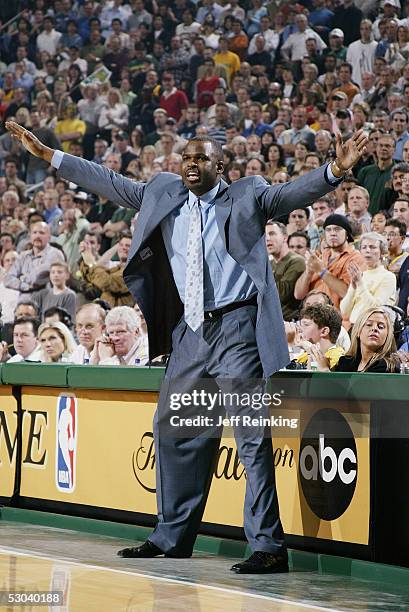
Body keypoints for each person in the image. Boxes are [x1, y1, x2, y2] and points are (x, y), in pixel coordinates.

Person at [6, 119, 367, 574]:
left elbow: (291, 193)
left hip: (237, 327)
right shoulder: (163, 191)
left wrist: (335, 169)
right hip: (190, 332)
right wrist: (49, 156)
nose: (191, 165)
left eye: (200, 159)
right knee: (173, 428)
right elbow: (108, 180)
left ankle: (269, 546)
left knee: (252, 438)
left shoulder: (247, 194)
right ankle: (171, 536)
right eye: (186, 159)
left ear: (220, 165)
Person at [340, 232, 397, 326]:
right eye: (364, 247)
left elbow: (375, 308)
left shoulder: (388, 277)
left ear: (382, 252)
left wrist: (360, 284)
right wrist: (353, 287)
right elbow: (344, 310)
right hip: (354, 326)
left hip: (373, 328)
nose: (367, 250)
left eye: (372, 247)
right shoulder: (361, 275)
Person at [332, 307, 400, 373]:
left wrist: (324, 369)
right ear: (358, 331)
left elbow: (357, 384)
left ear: (388, 336)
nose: (374, 329)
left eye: (380, 327)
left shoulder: (387, 366)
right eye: (369, 324)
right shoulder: (345, 362)